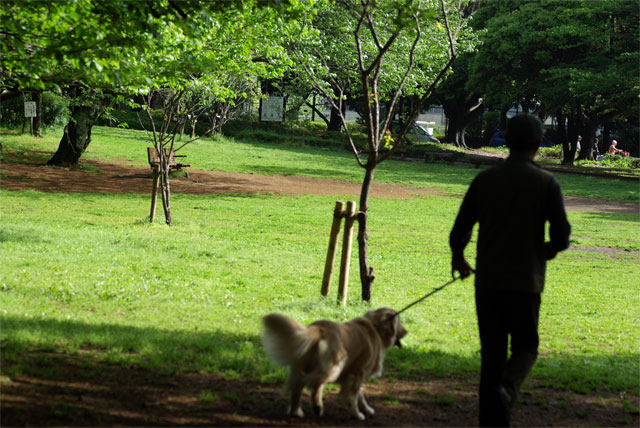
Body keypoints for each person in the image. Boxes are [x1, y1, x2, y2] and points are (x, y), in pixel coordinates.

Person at [449, 114, 571, 427]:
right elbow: (562, 234)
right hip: (526, 282)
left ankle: (491, 420)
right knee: (526, 347)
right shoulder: (545, 182)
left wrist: (459, 258)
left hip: (488, 282)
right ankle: (508, 388)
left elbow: (461, 228)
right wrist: (551, 249)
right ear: (537, 144)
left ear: (507, 140)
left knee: (491, 356)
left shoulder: (486, 180)